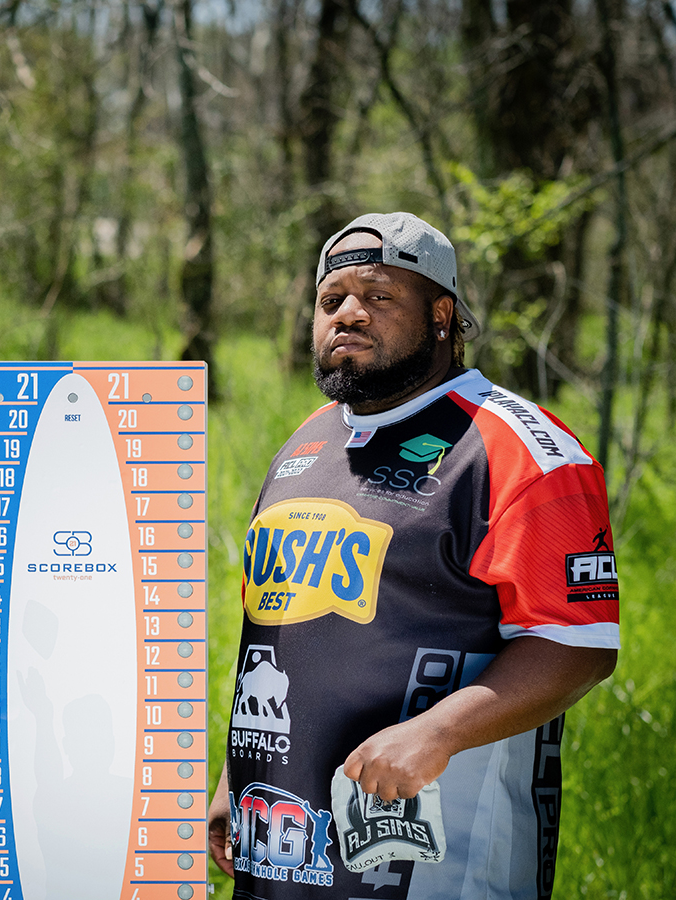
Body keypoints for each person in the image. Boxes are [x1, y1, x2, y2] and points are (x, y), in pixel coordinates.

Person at [207, 212, 619, 899]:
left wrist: (436, 734)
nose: (349, 314)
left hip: (439, 866)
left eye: (378, 296)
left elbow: (578, 645)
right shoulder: (303, 446)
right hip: (282, 852)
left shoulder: (522, 450)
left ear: (441, 315)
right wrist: (237, 772)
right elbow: (274, 637)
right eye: (331, 300)